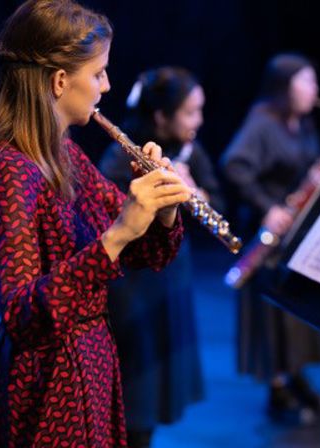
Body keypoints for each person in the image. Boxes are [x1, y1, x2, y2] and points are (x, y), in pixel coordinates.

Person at [0, 1, 192, 446]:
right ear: (60, 81)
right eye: (98, 73)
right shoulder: (9, 170)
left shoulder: (64, 154)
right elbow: (22, 313)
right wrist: (119, 232)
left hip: (87, 364)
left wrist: (163, 210)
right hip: (46, 390)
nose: (106, 86)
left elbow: (144, 252)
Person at [98, 66, 223, 447]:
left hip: (171, 276)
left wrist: (195, 190)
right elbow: (111, 223)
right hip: (135, 287)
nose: (197, 122)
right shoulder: (122, 158)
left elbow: (216, 200)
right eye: (190, 112)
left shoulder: (189, 150)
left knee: (159, 381)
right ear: (160, 117)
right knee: (138, 389)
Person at [221, 53, 320, 425]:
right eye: (307, 82)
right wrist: (267, 206)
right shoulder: (262, 121)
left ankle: (297, 374)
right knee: (274, 314)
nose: (314, 89)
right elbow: (234, 165)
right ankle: (278, 386)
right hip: (267, 236)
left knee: (297, 312)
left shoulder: (303, 122)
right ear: (286, 87)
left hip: (297, 234)